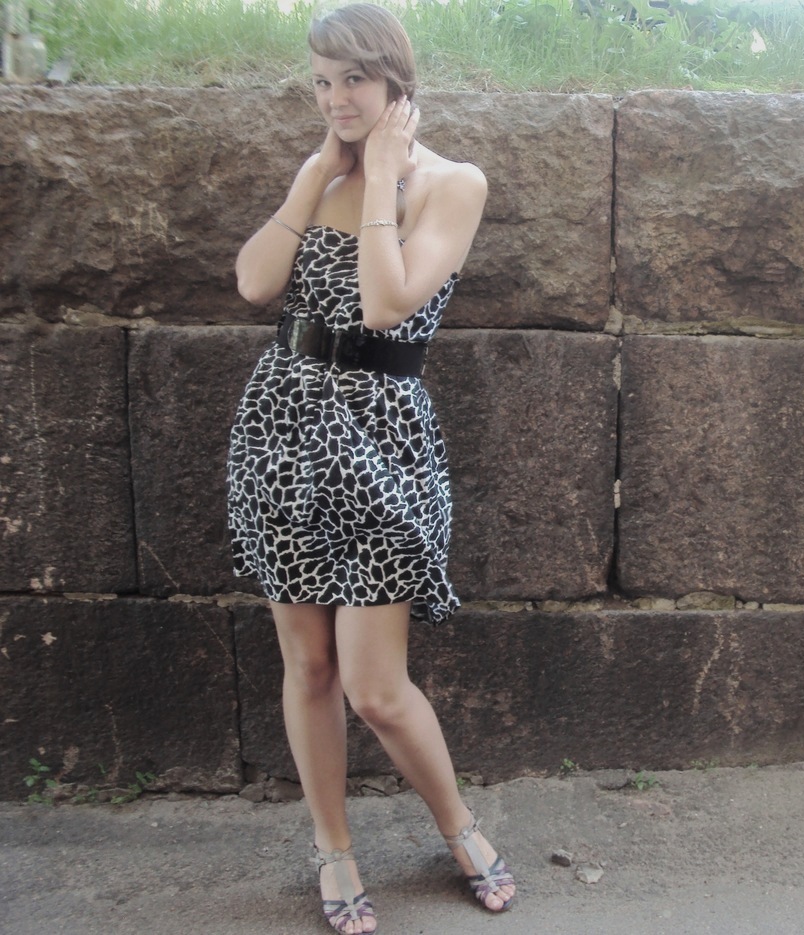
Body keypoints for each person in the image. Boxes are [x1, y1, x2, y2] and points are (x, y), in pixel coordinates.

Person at [226, 4, 513, 932]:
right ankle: (334, 848)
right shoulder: (321, 173)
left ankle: (459, 825)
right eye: (321, 81)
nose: (335, 98)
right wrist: (314, 177)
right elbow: (255, 283)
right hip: (281, 430)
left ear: (396, 81)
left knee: (377, 688)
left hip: (383, 441)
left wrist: (383, 175)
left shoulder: (453, 184)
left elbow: (388, 305)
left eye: (353, 78)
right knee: (308, 665)